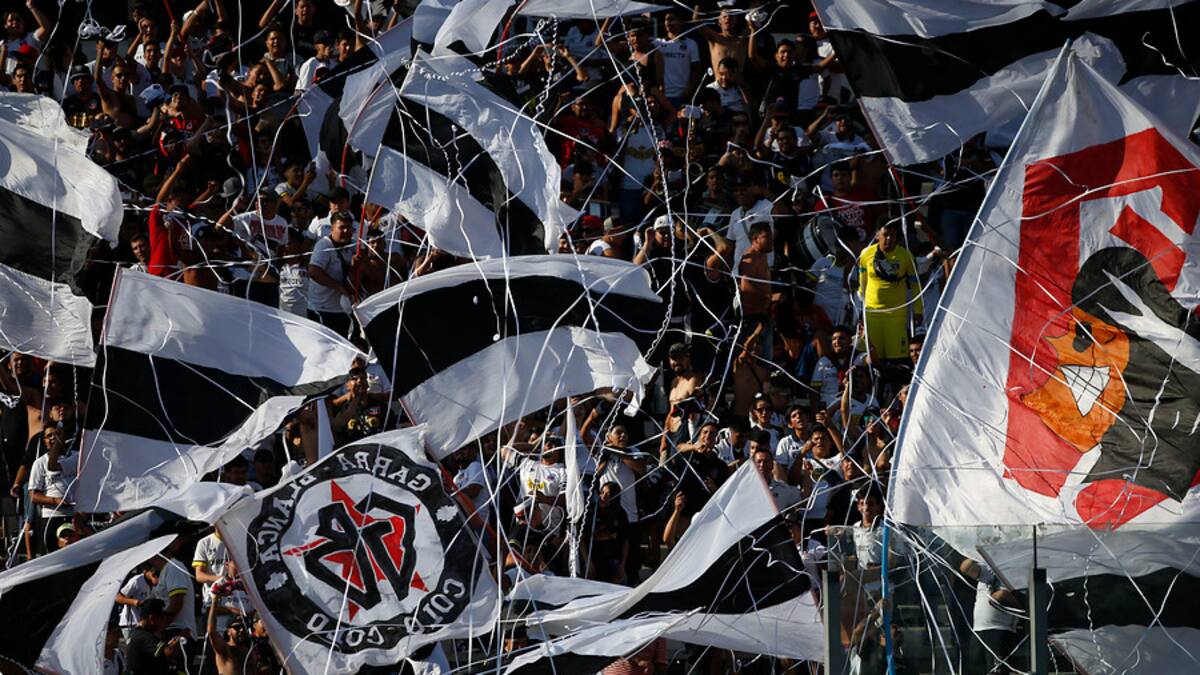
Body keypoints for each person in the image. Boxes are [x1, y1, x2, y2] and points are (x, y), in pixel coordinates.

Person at [857, 221, 923, 362]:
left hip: (896, 316)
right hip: (872, 315)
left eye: (892, 235)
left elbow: (915, 285)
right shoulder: (866, 255)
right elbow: (862, 285)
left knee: (897, 359)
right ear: (877, 236)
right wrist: (859, 313)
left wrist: (918, 310)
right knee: (873, 359)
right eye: (885, 235)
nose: (889, 239)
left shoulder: (906, 256)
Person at [307, 211, 360, 337]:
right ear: (332, 228)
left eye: (349, 228)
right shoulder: (324, 245)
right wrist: (338, 287)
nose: (346, 231)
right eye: (342, 227)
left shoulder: (353, 247)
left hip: (343, 310)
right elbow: (314, 271)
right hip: (322, 309)